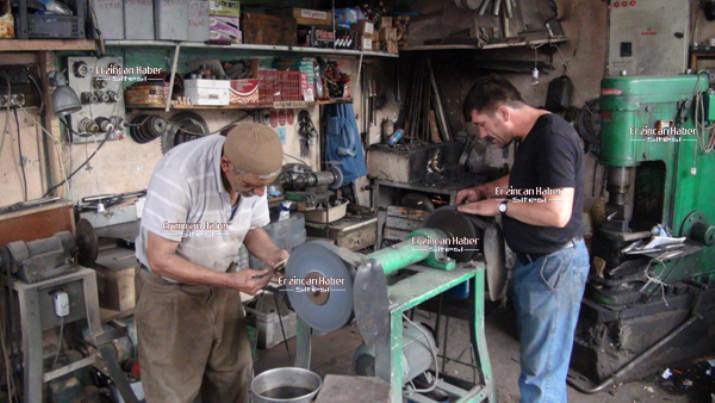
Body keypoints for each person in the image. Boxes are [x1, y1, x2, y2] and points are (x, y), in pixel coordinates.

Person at [134, 122, 289, 403]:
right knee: (174, 390)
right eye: (253, 186)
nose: (259, 194)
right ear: (227, 164)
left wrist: (275, 255)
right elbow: (160, 259)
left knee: (234, 376)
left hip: (221, 287)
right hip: (171, 294)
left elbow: (251, 229)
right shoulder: (179, 175)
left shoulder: (253, 180)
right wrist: (231, 281)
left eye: (264, 187)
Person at [456, 75, 588, 403]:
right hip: (539, 265)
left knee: (541, 377)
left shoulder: (552, 138)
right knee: (537, 364)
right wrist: (484, 191)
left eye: (483, 125)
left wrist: (498, 206)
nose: (483, 136)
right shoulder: (533, 135)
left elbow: (557, 212)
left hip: (554, 267)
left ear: (503, 113)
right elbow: (521, 181)